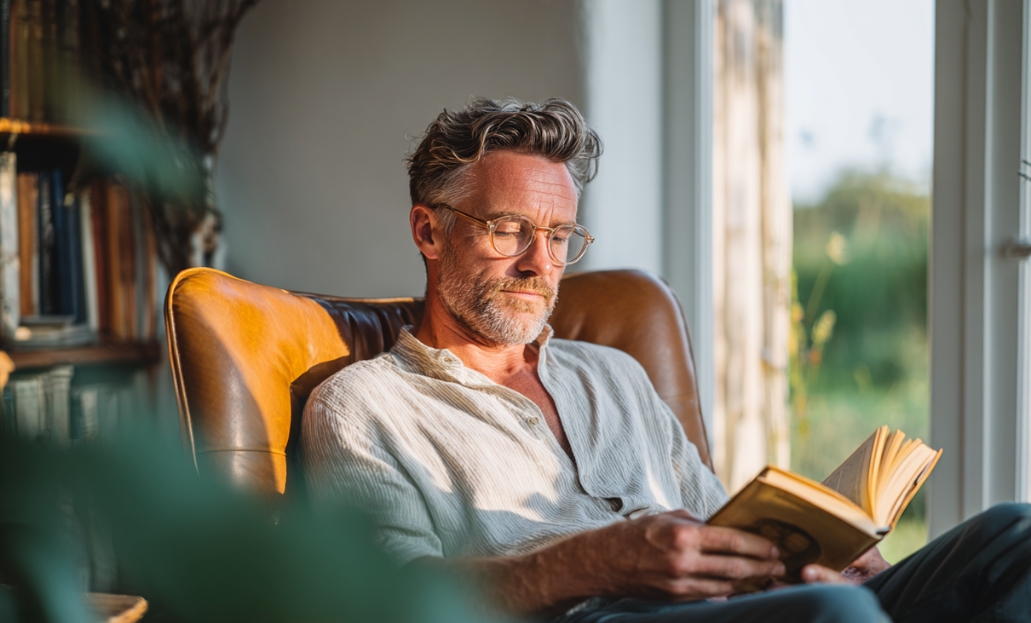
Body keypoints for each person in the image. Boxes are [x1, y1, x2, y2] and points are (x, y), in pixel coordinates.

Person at [302, 98, 1031, 623]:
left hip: (747, 608)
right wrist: (595, 561)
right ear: (428, 231)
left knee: (1012, 535)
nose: (540, 262)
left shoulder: (611, 372)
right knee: (832, 614)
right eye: (508, 229)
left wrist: (809, 553)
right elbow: (387, 597)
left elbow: (717, 516)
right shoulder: (363, 407)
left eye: (559, 235)